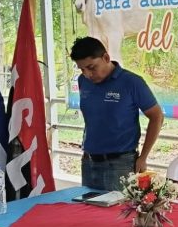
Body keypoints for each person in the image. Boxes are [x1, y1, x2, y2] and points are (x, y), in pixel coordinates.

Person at [69, 37, 164, 191]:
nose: (87, 74)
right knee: (88, 213)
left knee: (118, 212)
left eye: (92, 67)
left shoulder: (132, 82)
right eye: (82, 69)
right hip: (89, 161)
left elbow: (157, 116)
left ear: (106, 58)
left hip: (121, 163)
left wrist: (143, 157)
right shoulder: (83, 81)